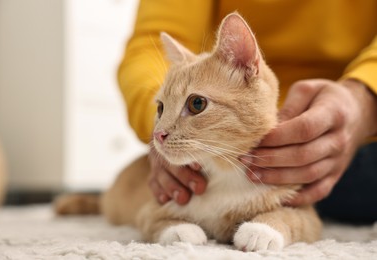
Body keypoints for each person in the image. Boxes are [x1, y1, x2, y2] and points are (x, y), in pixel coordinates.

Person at [118, 1, 377, 222]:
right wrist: (156, 124)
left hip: (357, 126)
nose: (160, 131)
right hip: (220, 140)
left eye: (196, 104)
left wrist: (366, 99)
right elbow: (150, 42)